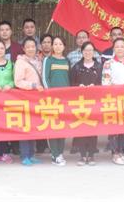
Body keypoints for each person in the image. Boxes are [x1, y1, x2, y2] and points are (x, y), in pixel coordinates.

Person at [102, 38, 124, 165]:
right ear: (113, 49)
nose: (120, 49)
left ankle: (121, 152)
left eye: (122, 46)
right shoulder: (108, 63)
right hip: (114, 99)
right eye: (117, 46)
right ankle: (115, 153)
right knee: (114, 127)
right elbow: (105, 82)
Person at [69, 41, 101, 166]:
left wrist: (95, 86)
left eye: (90, 50)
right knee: (82, 128)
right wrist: (78, 86)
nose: (88, 52)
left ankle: (91, 155)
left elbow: (103, 82)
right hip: (80, 103)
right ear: (82, 52)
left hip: (95, 102)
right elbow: (71, 83)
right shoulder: (76, 67)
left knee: (93, 128)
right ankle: (82, 155)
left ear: (94, 52)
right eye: (86, 50)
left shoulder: (99, 66)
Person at [14, 37, 45, 165]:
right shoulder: (20, 62)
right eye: (28, 47)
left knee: (33, 126)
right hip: (25, 98)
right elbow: (18, 81)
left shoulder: (39, 60)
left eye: (33, 46)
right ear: (23, 48)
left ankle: (32, 154)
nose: (31, 49)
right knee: (25, 127)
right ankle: (24, 155)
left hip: (36, 99)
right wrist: (32, 85)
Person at [41, 36, 70, 166]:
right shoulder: (48, 60)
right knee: (53, 126)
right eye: (55, 44)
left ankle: (60, 152)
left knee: (62, 126)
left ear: (64, 46)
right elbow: (44, 78)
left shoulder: (67, 61)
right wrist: (50, 94)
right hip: (51, 100)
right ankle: (54, 154)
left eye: (60, 44)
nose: (58, 46)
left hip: (65, 100)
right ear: (52, 46)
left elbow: (68, 79)